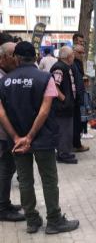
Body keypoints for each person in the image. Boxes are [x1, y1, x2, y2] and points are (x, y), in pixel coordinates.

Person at [0, 41, 79, 234]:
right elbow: (44, 112)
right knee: (49, 179)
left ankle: (32, 221)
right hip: (42, 138)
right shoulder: (45, 78)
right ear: (35, 57)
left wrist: (18, 138)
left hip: (17, 141)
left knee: (25, 181)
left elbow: (1, 114)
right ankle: (54, 220)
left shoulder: (4, 82)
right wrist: (30, 137)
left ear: (16, 59)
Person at [0, 40, 25, 222]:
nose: (18, 61)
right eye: (15, 57)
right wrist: (16, 136)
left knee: (7, 170)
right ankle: (2, 208)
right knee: (5, 170)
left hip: (6, 133)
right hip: (3, 134)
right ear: (4, 57)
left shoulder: (5, 75)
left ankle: (5, 203)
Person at [50, 46, 78, 164]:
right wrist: (64, 99)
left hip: (65, 106)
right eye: (73, 55)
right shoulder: (59, 68)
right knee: (64, 132)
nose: (73, 57)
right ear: (69, 56)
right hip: (62, 107)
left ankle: (64, 152)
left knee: (66, 131)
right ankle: (63, 155)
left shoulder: (65, 66)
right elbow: (54, 86)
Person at [71, 45, 89, 153]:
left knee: (77, 122)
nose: (82, 55)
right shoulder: (73, 63)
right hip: (75, 98)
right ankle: (75, 144)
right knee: (75, 123)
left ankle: (76, 143)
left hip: (77, 97)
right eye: (80, 53)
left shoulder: (77, 63)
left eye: (83, 53)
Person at [80, 75, 95, 139]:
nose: (90, 83)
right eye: (89, 82)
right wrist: (88, 109)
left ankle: (83, 132)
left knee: (83, 121)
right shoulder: (85, 92)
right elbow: (86, 101)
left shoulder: (83, 91)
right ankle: (85, 133)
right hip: (84, 109)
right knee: (84, 121)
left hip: (83, 108)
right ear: (85, 83)